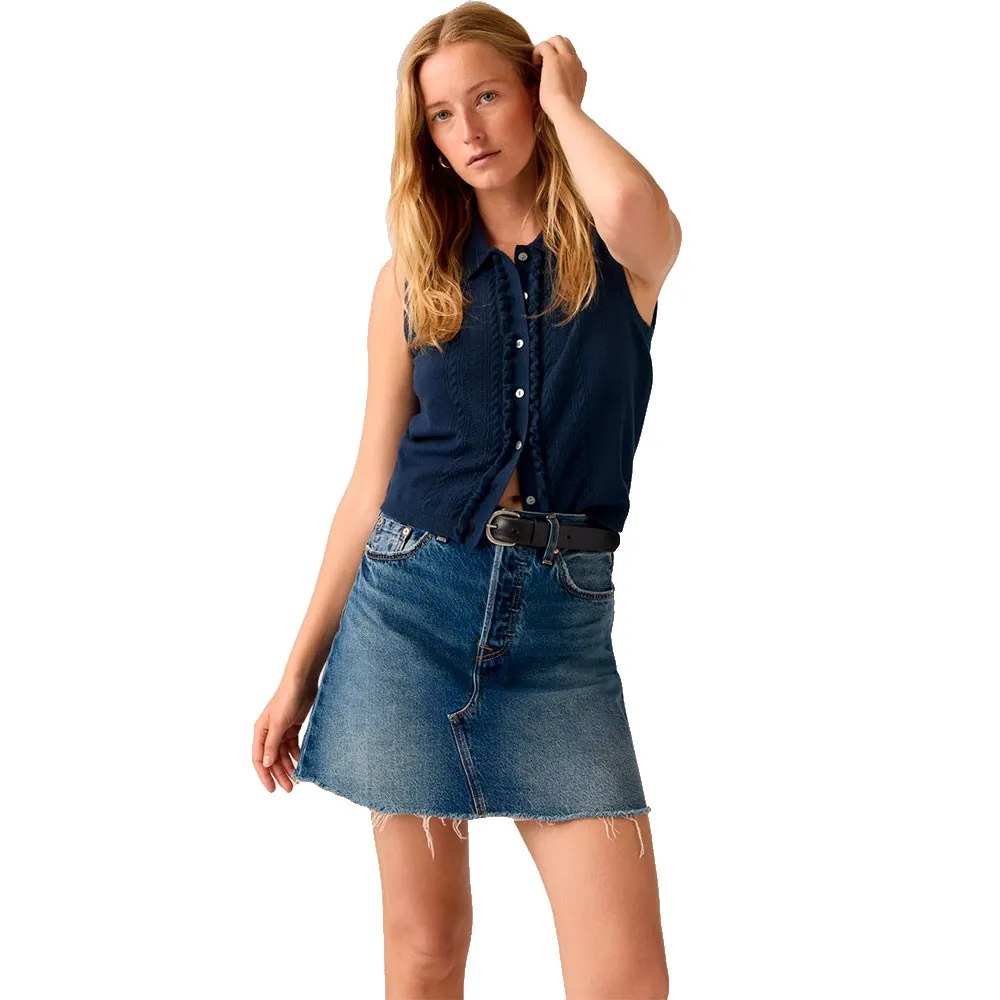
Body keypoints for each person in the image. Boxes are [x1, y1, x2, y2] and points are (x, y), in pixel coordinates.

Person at [253, 3, 681, 996]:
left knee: (626, 978)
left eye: (488, 97)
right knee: (426, 946)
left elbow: (630, 200)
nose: (469, 131)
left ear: (532, 90)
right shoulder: (410, 279)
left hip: (562, 633)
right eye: (442, 115)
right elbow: (369, 483)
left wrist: (568, 104)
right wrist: (298, 673)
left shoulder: (623, 255)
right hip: (409, 611)